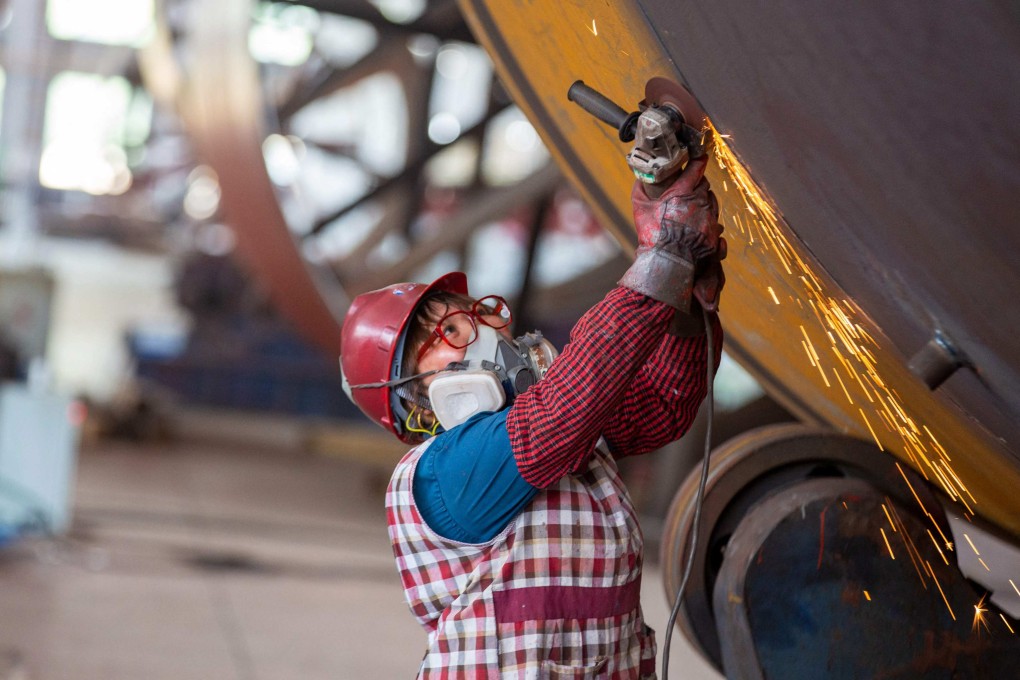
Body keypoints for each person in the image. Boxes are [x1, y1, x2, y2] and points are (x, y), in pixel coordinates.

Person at [340, 156, 725, 678]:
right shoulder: (440, 471)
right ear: (414, 399)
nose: (480, 330)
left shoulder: (566, 424)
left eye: (476, 312)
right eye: (448, 332)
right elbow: (554, 421)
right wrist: (662, 259)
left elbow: (661, 403)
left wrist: (687, 301)